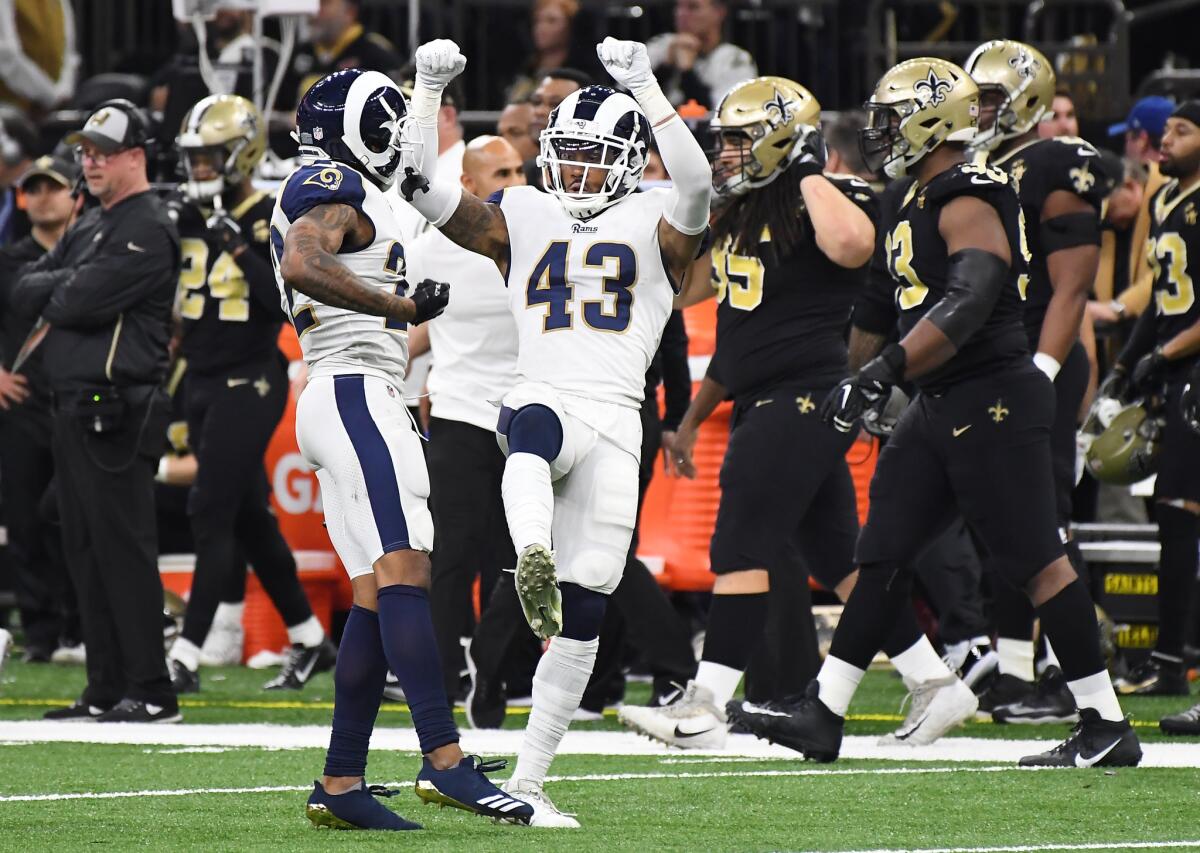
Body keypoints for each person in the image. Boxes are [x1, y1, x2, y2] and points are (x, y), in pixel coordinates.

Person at [727, 57, 1140, 769]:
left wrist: (886, 370)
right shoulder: (909, 195)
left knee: (1039, 562)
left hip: (993, 393)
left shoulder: (969, 188)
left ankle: (1106, 723)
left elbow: (972, 293)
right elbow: (878, 307)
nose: (882, 134)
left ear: (930, 118)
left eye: (892, 120)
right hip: (938, 398)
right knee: (880, 553)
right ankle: (825, 711)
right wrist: (858, 375)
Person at [399, 36, 711, 825]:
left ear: (629, 157)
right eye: (564, 153)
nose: (573, 169)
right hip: (543, 393)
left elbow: (699, 178)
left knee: (590, 605)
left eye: (592, 155)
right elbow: (415, 186)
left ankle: (530, 782)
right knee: (530, 428)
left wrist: (643, 85)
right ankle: (531, 545)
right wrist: (429, 91)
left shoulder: (657, 217)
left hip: (617, 413)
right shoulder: (523, 209)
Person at [621, 75, 975, 750]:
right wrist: (689, 420)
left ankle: (705, 703)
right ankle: (935, 681)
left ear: (780, 136)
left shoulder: (821, 196)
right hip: (768, 394)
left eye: (736, 139)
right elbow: (719, 322)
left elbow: (853, 247)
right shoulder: (748, 211)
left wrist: (806, 168)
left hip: (809, 394)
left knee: (740, 541)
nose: (724, 152)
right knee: (838, 556)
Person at [271, 64, 530, 831]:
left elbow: (412, 167)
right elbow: (302, 259)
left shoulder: (359, 187)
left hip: (346, 392)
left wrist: (424, 85)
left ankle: (341, 779)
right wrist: (398, 304)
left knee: (375, 593)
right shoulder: (325, 183)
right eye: (382, 120)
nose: (393, 135)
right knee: (409, 566)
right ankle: (445, 761)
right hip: (354, 389)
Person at [11, 100, 182, 723]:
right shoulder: (92, 223)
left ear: (136, 157)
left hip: (117, 409)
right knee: (84, 547)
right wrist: (65, 288)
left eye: (102, 153)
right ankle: (106, 686)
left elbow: (73, 300)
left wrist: (65, 288)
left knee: (122, 548)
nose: (90, 162)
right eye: (85, 152)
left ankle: (153, 690)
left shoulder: (146, 225)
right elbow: (27, 288)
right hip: (72, 407)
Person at [163, 94, 335, 695]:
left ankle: (185, 653)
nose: (201, 167)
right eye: (196, 157)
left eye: (212, 156)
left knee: (209, 510)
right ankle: (312, 639)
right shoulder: (184, 213)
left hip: (251, 378)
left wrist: (234, 239)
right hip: (203, 380)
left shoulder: (268, 213)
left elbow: (278, 298)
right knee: (248, 518)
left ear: (241, 154)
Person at [965, 39, 1110, 723]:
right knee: (1000, 523)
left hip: (1034, 358)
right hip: (995, 357)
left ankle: (1066, 674)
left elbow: (1071, 287)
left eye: (990, 98)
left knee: (1044, 520)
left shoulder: (1054, 158)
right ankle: (1016, 670)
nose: (979, 111)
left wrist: (1046, 371)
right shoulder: (977, 166)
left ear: (1025, 99)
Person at [403, 135, 526, 703]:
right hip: (455, 411)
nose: (518, 179)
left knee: (518, 551)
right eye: (502, 171)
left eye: (520, 168)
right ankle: (443, 673)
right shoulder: (429, 247)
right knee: (451, 552)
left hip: (524, 414)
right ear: (469, 187)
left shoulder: (541, 232)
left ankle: (504, 671)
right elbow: (415, 314)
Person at [1100, 101, 1200, 703]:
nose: (1167, 138)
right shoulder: (1164, 199)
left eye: (1183, 130)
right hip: (1172, 367)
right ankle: (1169, 658)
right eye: (1167, 129)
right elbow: (1165, 299)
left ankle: (1173, 659)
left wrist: (1162, 357)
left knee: (1182, 512)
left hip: (1191, 368)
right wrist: (1125, 364)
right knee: (1172, 517)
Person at [0, 153, 80, 663]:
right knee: (26, 518)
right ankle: (41, 629)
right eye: (35, 188)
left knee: (76, 516)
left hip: (79, 396)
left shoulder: (92, 251)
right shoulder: (6, 258)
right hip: (25, 402)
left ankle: (80, 625)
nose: (43, 196)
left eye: (54, 187)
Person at [288, 0, 403, 110]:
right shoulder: (300, 51)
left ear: (350, 11)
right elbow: (277, 105)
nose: (315, 11)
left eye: (325, 3)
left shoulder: (376, 52)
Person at [646, 0, 757, 109]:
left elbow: (721, 115)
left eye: (693, 7)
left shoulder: (736, 60)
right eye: (678, 7)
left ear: (719, 12)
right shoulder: (660, 46)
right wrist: (665, 67)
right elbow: (633, 104)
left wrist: (687, 72)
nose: (681, 14)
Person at [505, 0, 599, 104]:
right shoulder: (525, 68)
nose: (541, 27)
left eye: (551, 21)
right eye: (537, 20)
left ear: (571, 26)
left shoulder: (583, 74)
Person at [522, 67, 591, 186]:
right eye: (536, 101)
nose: (539, 111)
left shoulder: (600, 173)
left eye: (555, 104)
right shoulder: (525, 172)